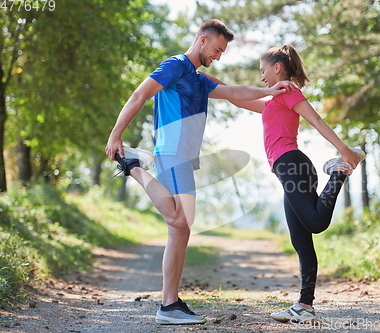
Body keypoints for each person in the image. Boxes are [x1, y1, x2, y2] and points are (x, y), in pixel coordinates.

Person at [105, 19, 293, 325]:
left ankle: (170, 304)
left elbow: (234, 92)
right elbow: (139, 95)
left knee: (180, 228)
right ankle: (134, 167)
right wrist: (116, 135)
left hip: (184, 156)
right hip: (172, 152)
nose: (218, 55)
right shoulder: (176, 66)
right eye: (217, 49)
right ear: (202, 40)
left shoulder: (200, 79)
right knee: (181, 219)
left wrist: (275, 97)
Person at [204, 44, 366, 323]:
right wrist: (203, 79)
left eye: (263, 70)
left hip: (293, 165)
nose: (262, 77)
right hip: (289, 170)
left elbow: (315, 119)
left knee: (316, 223)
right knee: (300, 240)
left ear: (277, 67)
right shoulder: (274, 99)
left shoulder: (289, 91)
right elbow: (237, 98)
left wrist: (345, 153)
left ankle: (338, 171)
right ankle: (305, 306)